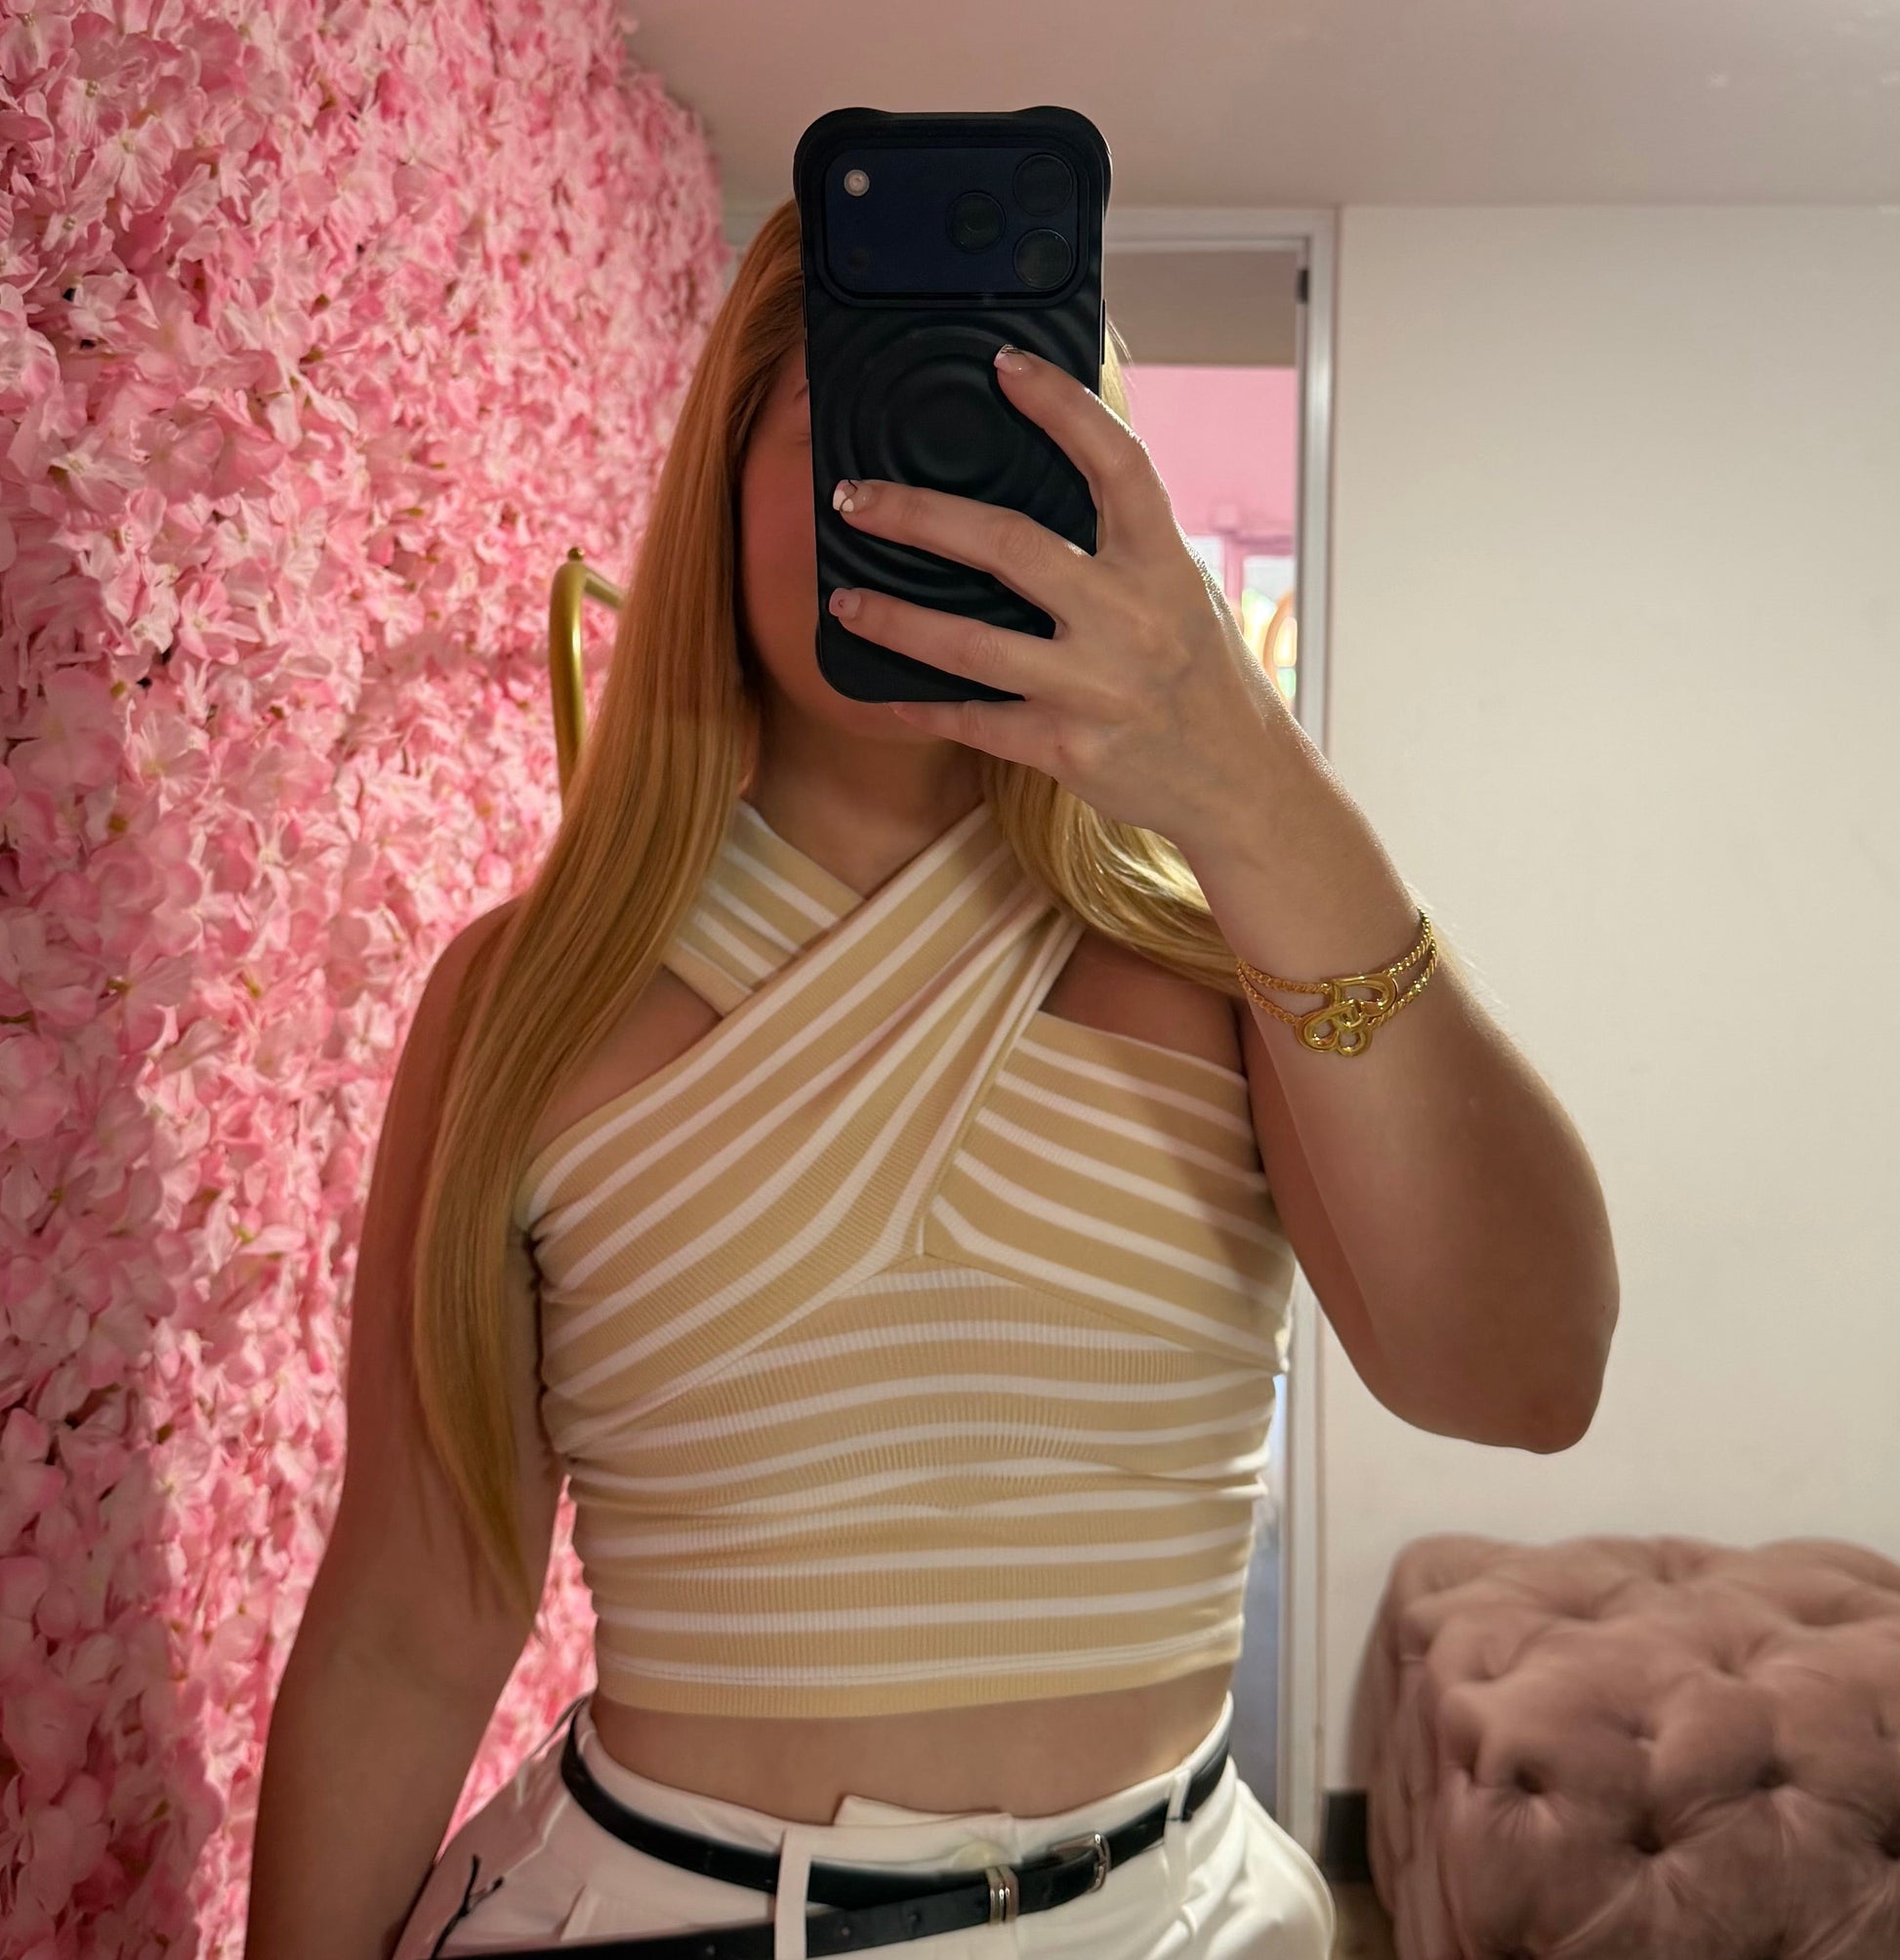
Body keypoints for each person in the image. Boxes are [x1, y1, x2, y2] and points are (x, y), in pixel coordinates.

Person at [246, 199, 1617, 1960]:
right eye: (869, 419)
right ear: (723, 484)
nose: (935, 491)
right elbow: (407, 1626)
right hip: (656, 1916)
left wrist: (1249, 778)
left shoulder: (1232, 963)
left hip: (1185, 1919)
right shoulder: (526, 1000)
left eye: (1000, 433)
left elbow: (1523, 1377)